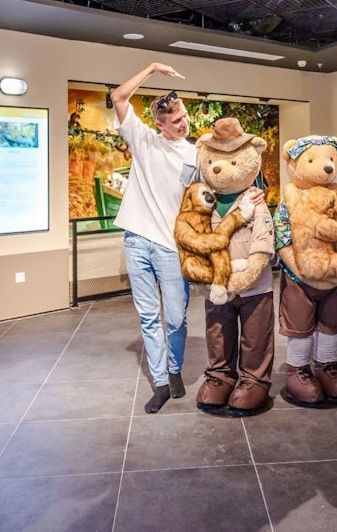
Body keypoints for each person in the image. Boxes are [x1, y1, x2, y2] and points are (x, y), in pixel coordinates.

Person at [111, 63, 198, 413]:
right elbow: (119, 97)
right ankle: (160, 382)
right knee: (148, 316)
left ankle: (175, 369)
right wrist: (151, 69)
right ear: (160, 124)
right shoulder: (144, 140)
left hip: (170, 246)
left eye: (184, 117)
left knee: (176, 317)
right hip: (136, 241)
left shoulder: (195, 154)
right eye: (176, 121)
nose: (183, 123)